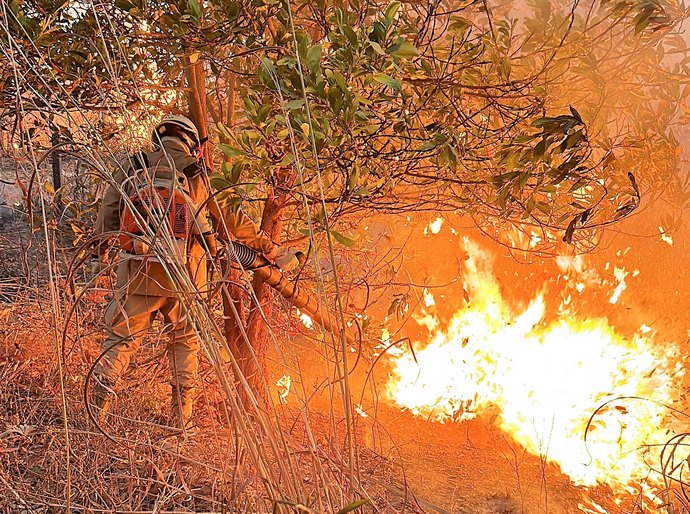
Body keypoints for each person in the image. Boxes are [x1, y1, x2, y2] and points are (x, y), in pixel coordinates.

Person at [89, 114, 298, 432]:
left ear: (158, 138)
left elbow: (108, 213)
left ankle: (94, 417)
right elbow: (233, 222)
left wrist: (98, 252)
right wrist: (272, 250)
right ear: (190, 142)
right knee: (184, 342)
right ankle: (180, 422)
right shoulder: (199, 173)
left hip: (137, 273)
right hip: (187, 278)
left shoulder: (133, 166)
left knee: (120, 340)